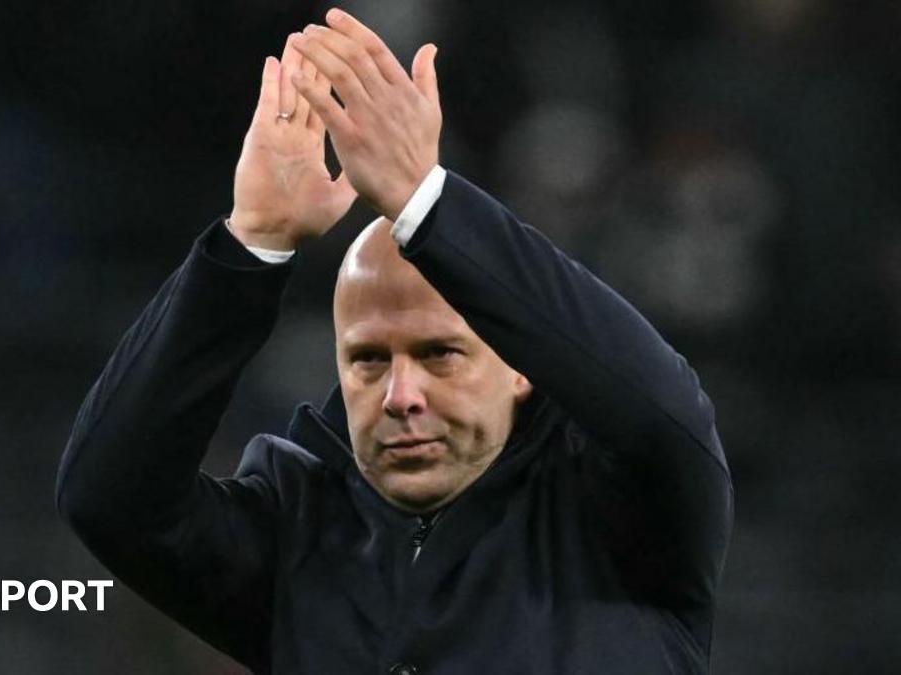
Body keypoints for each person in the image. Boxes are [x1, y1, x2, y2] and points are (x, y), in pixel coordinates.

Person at [56, 9, 733, 674]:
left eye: (439, 353)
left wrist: (427, 204)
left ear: (523, 365)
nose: (401, 395)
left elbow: (659, 413)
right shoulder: (296, 538)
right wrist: (250, 245)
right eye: (368, 359)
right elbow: (109, 499)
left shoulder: (619, 520)